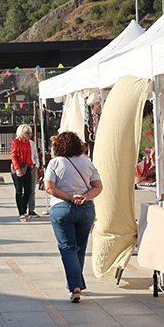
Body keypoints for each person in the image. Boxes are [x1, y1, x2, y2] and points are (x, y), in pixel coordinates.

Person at [43, 130, 103, 303]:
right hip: (86, 208)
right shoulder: (87, 163)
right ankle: (78, 283)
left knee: (67, 247)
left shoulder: (55, 163)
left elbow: (50, 188)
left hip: (62, 208)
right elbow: (98, 186)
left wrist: (70, 197)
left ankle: (75, 285)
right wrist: (84, 197)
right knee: (80, 247)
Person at [10, 124, 36, 222]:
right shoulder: (16, 142)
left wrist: (33, 164)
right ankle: (21, 213)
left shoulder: (29, 143)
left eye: (30, 133)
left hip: (28, 167)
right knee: (19, 191)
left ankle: (24, 210)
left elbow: (31, 154)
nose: (29, 135)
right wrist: (17, 168)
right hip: (18, 167)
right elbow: (14, 156)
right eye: (27, 133)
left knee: (29, 190)